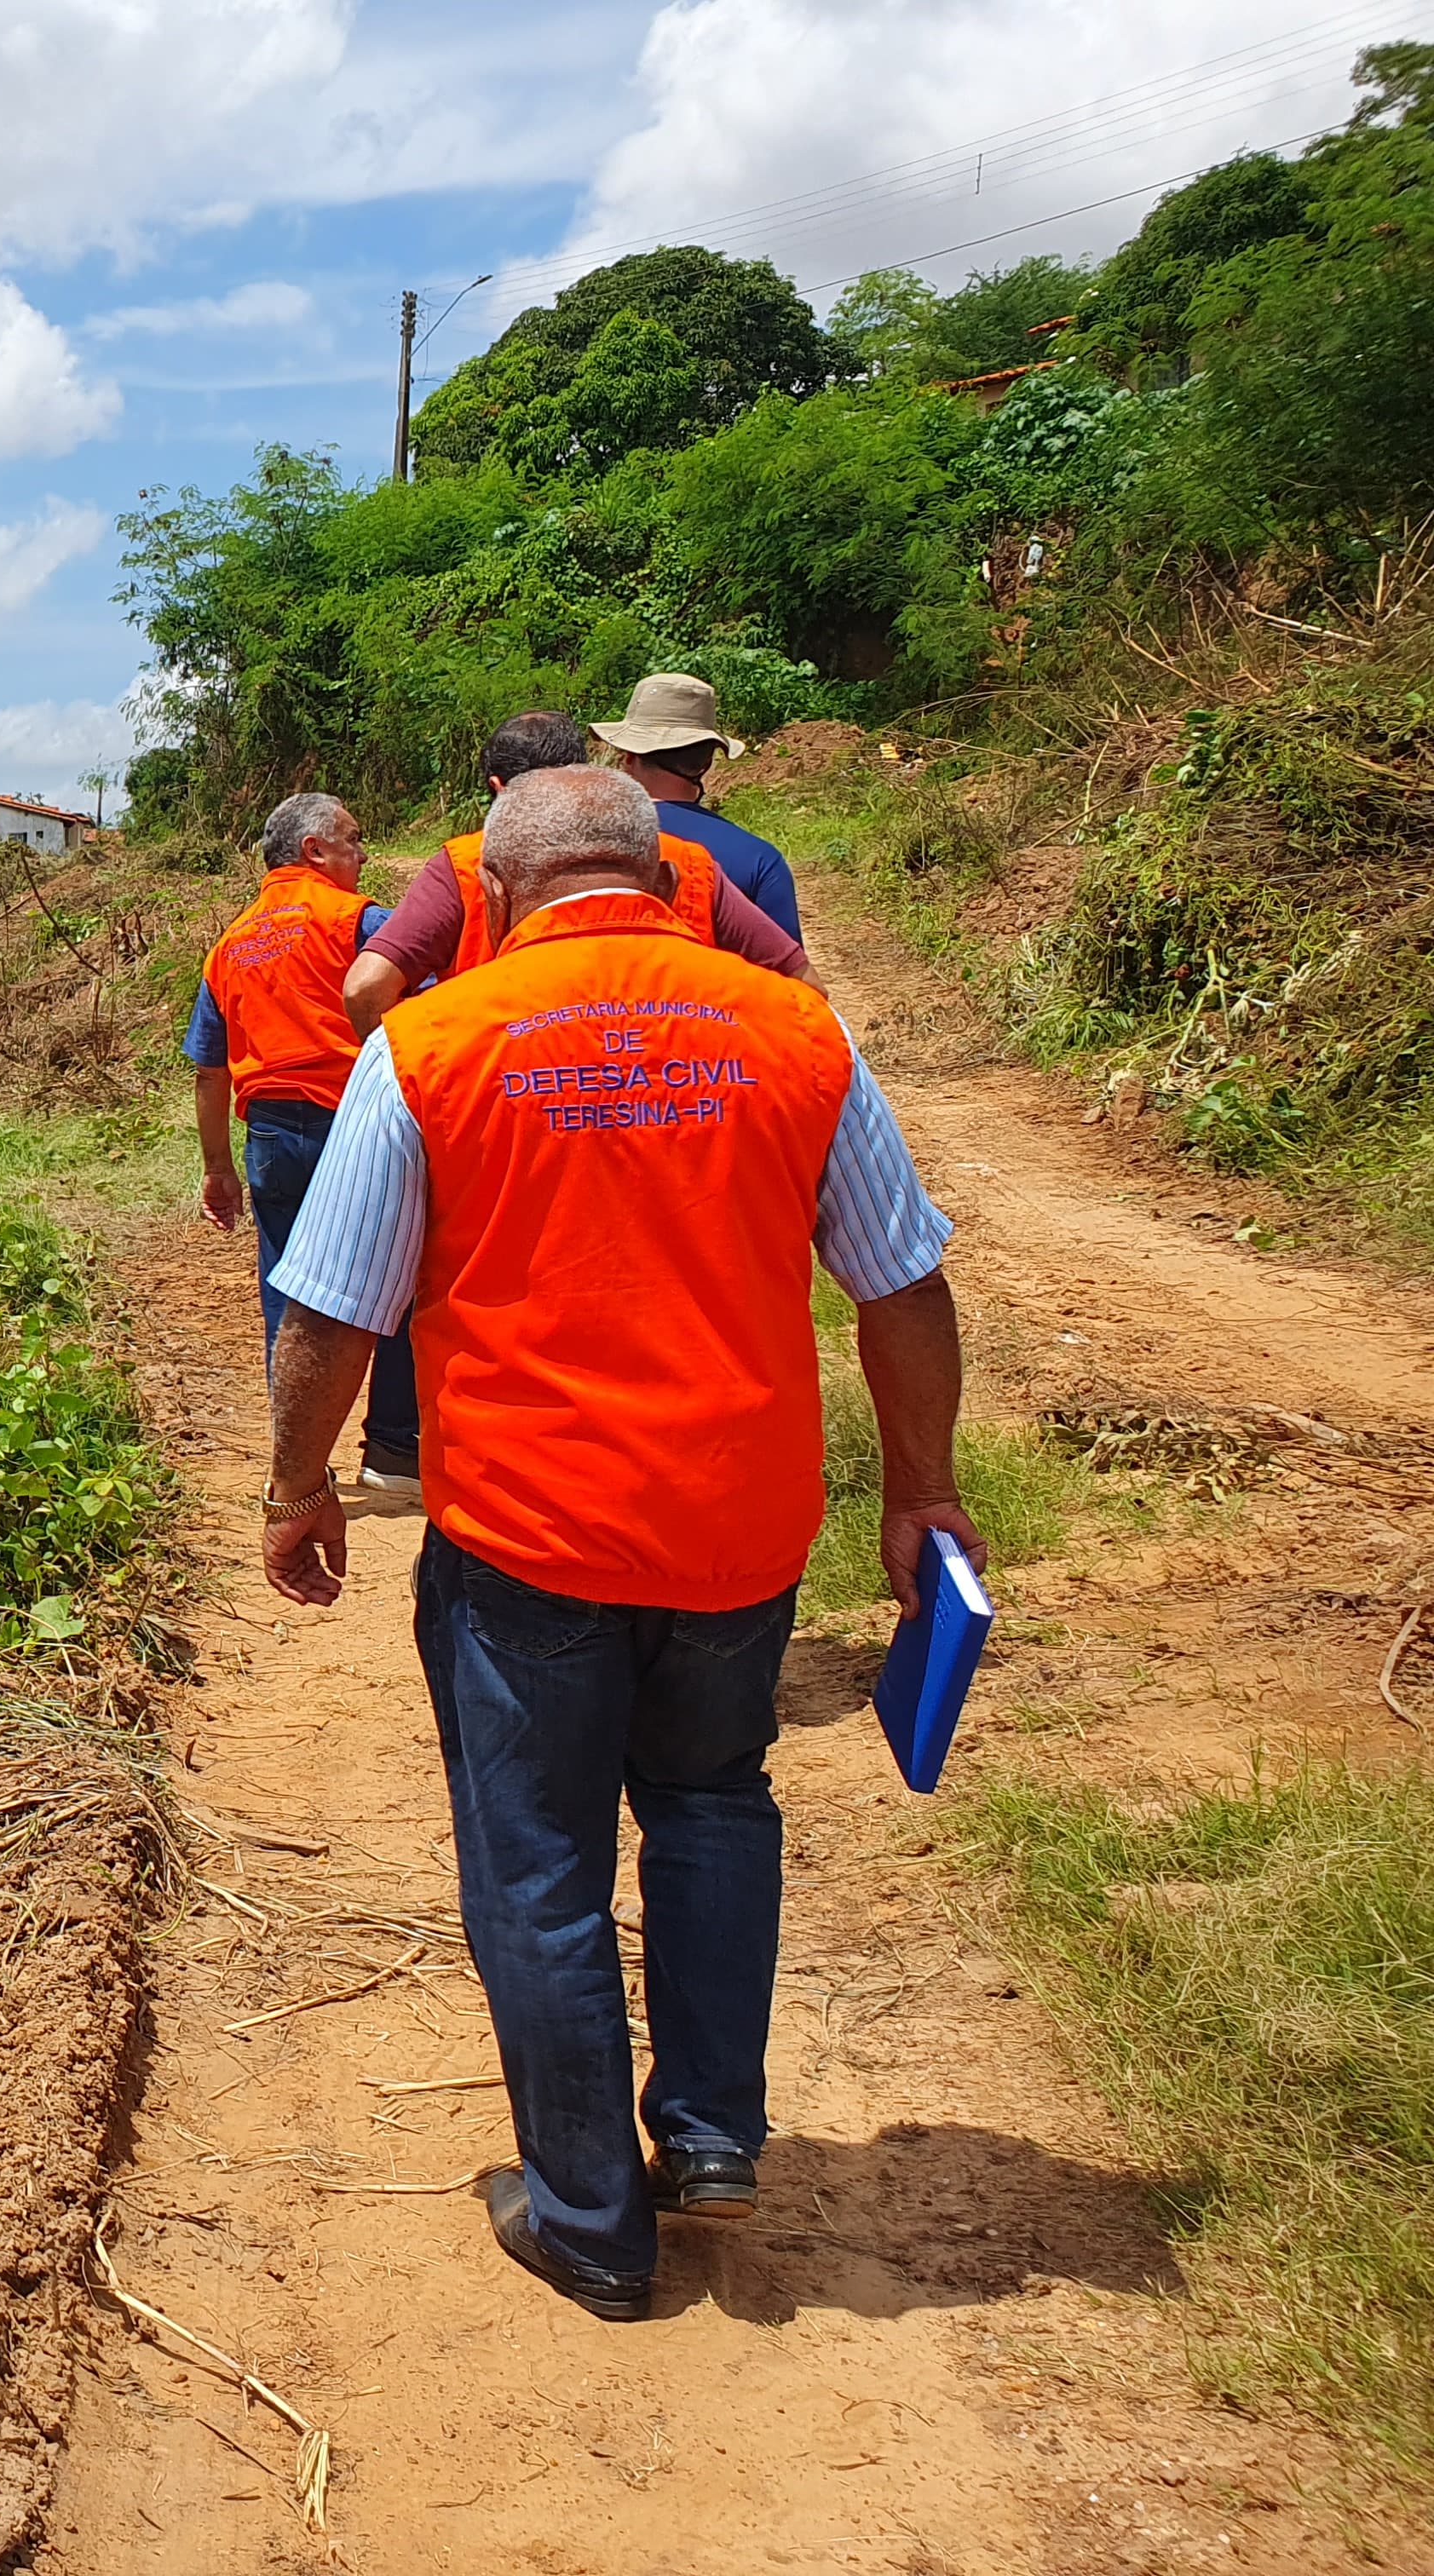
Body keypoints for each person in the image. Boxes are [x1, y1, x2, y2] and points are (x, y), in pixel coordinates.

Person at [253, 764, 979, 2324]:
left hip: (531, 1534)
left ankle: (590, 2215)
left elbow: (330, 1307)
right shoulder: (794, 1032)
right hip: (740, 1524)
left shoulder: (436, 1042)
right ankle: (711, 2130)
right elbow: (900, 1280)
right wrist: (918, 1486)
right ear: (666, 883)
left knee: (539, 1867)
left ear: (500, 899)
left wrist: (294, 1485)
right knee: (715, 1797)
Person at [187, 791, 423, 1491]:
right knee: (401, 1282)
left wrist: (217, 1169)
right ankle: (392, 1452)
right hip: (360, 1128)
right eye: (353, 839)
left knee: (285, 1293)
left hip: (270, 1140)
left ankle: (300, 1464)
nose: (364, 853)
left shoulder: (229, 946)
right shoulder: (360, 921)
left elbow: (210, 1067)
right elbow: (427, 1012)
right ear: (314, 850)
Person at [340, 711, 811, 1040]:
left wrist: (420, 1068)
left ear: (498, 789)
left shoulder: (466, 865)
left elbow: (365, 989)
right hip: (681, 1107)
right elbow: (803, 990)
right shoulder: (684, 861)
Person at [593, 670, 801, 941]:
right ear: (707, 762)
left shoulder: (583, 846)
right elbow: (787, 975)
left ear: (629, 757)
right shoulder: (759, 859)